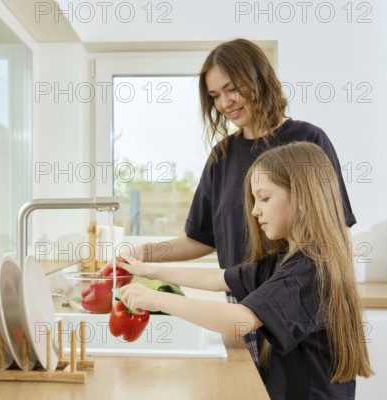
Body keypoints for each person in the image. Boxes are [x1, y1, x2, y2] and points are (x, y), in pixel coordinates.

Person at [114, 38, 356, 364]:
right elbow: (200, 239)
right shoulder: (222, 155)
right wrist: (144, 255)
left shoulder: (308, 141)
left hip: (300, 316)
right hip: (241, 313)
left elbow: (336, 234)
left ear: (258, 79)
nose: (225, 103)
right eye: (215, 96)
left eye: (232, 89)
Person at [117, 142, 373, 399]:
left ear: (301, 198)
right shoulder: (285, 260)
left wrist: (155, 299)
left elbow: (241, 320)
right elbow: (219, 278)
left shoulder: (309, 268)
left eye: (264, 198)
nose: (254, 210)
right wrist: (147, 270)